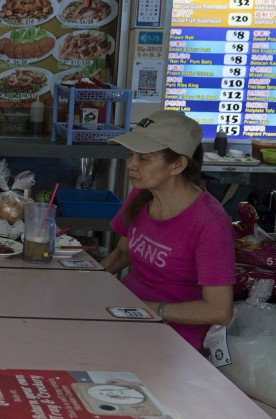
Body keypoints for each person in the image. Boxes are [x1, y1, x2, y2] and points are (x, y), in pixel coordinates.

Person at [101, 110, 235, 351]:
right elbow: (122, 254)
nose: (131, 165)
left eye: (143, 159)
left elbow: (219, 310)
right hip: (126, 318)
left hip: (173, 341)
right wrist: (85, 278)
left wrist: (148, 309)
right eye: (131, 155)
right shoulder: (141, 195)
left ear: (178, 164)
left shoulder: (209, 223)